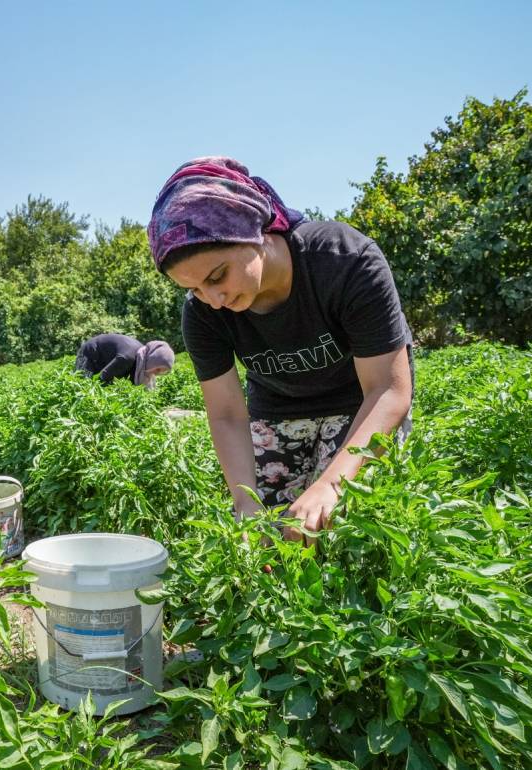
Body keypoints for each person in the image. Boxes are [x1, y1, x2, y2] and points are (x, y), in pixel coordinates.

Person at [147, 157, 413, 543]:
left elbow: (389, 391)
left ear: (251, 230)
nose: (214, 299)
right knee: (269, 534)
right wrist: (244, 503)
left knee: (345, 527)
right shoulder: (203, 314)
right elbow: (225, 414)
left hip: (363, 404)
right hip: (278, 410)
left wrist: (332, 485)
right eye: (195, 289)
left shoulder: (345, 261)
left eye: (218, 275)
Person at [75, 333, 175, 388]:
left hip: (106, 359)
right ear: (153, 360)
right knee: (82, 385)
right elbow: (102, 378)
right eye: (158, 369)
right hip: (90, 353)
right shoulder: (127, 358)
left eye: (162, 372)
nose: (157, 374)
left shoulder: (142, 358)